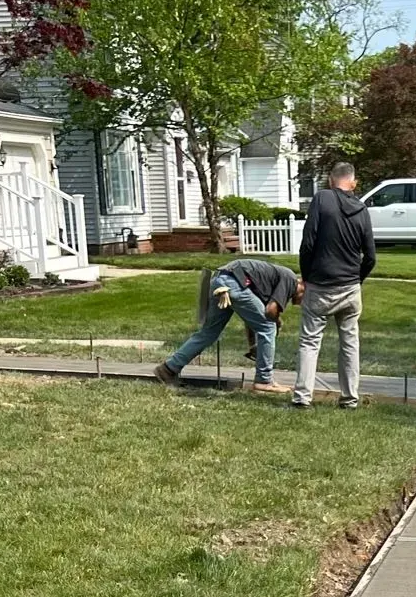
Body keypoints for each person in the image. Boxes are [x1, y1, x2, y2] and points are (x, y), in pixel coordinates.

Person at [291, 158, 376, 410]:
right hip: (350, 288)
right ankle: (350, 398)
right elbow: (370, 257)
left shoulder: (322, 199)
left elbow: (308, 244)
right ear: (354, 183)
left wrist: (306, 277)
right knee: (350, 343)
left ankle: (302, 397)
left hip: (320, 285)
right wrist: (357, 280)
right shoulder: (362, 210)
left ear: (330, 180)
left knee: (309, 342)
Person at [155, 259, 302, 393]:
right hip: (235, 282)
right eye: (306, 299)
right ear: (304, 285)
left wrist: (253, 345)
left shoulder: (269, 282)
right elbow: (270, 312)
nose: (302, 304)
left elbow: (251, 318)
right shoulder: (290, 279)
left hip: (220, 280)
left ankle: (168, 369)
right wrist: (277, 321)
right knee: (269, 327)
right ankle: (264, 380)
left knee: (208, 333)